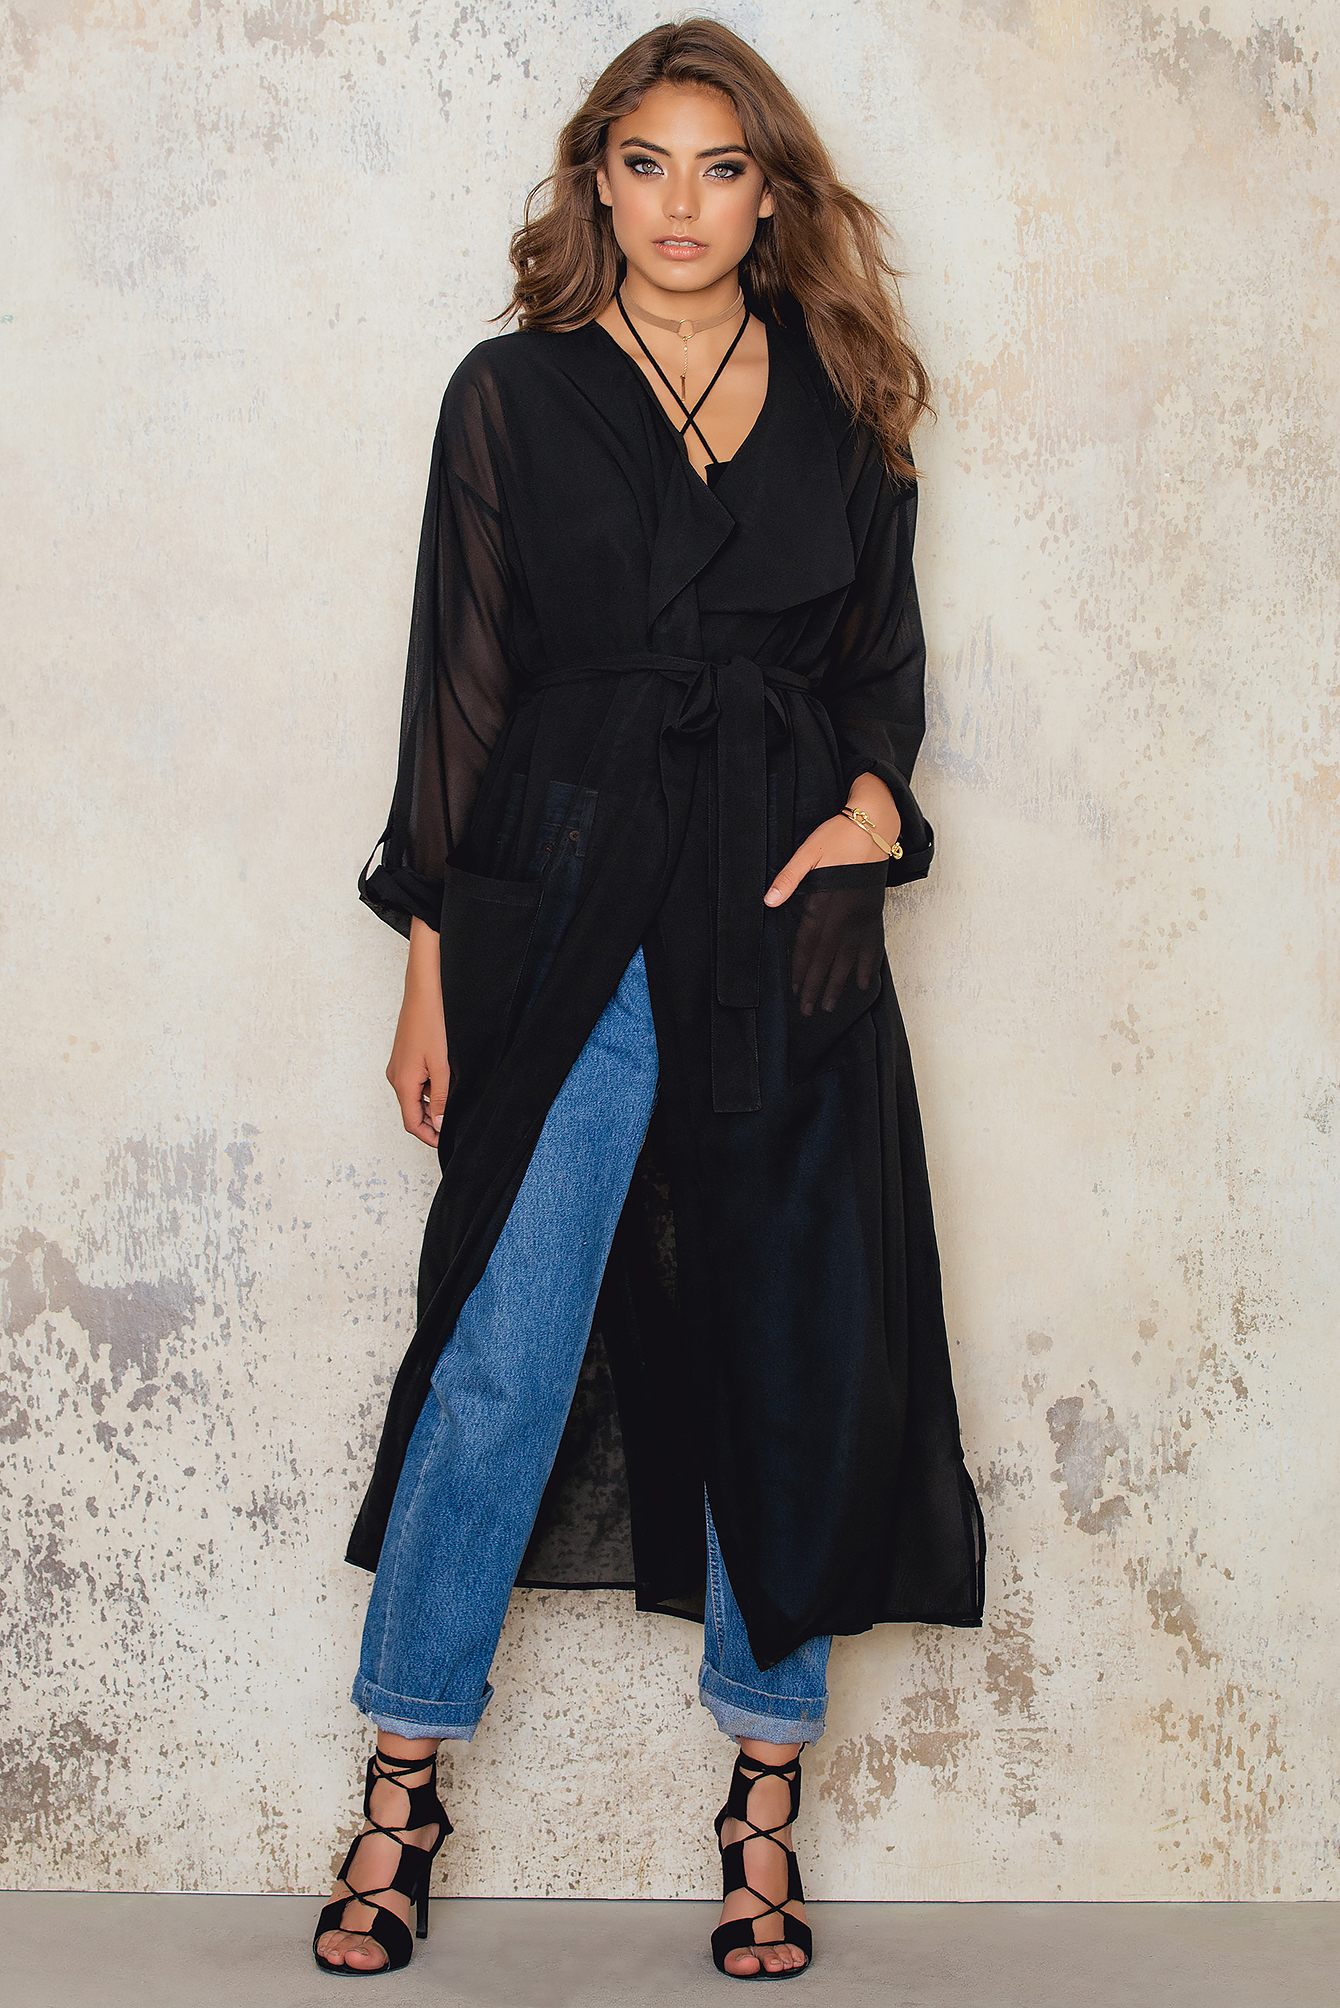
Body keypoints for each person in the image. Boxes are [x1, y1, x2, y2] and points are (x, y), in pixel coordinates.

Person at [313, 17, 984, 1983]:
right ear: (595, 182)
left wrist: (867, 812)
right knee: (502, 1351)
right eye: (645, 163)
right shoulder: (513, 394)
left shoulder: (846, 405)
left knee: (792, 1344)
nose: (681, 204)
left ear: (771, 194)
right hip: (560, 915)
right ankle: (400, 1787)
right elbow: (460, 686)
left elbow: (880, 675)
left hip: (777, 917)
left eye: (721, 166)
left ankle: (763, 1805)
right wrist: (430, 959)